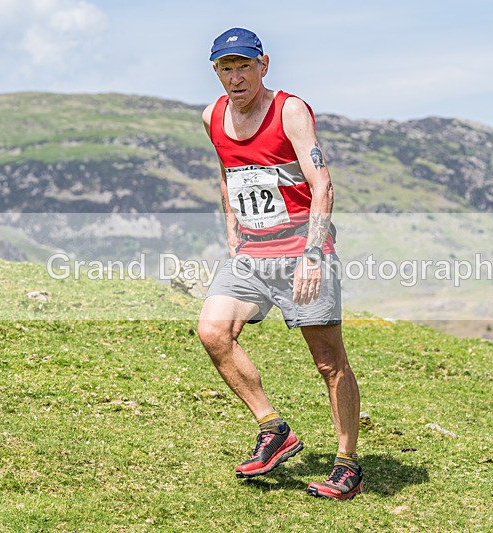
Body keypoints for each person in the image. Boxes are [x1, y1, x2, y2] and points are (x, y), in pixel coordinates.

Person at [196, 27, 363, 500]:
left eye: (244, 66)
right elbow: (228, 172)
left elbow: (322, 184)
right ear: (217, 72)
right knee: (213, 332)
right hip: (252, 254)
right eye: (226, 68)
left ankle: (347, 464)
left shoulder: (289, 109)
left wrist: (312, 255)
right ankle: (274, 428)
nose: (235, 76)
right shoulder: (212, 115)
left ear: (263, 66)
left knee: (329, 363)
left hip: (303, 252)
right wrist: (231, 225)